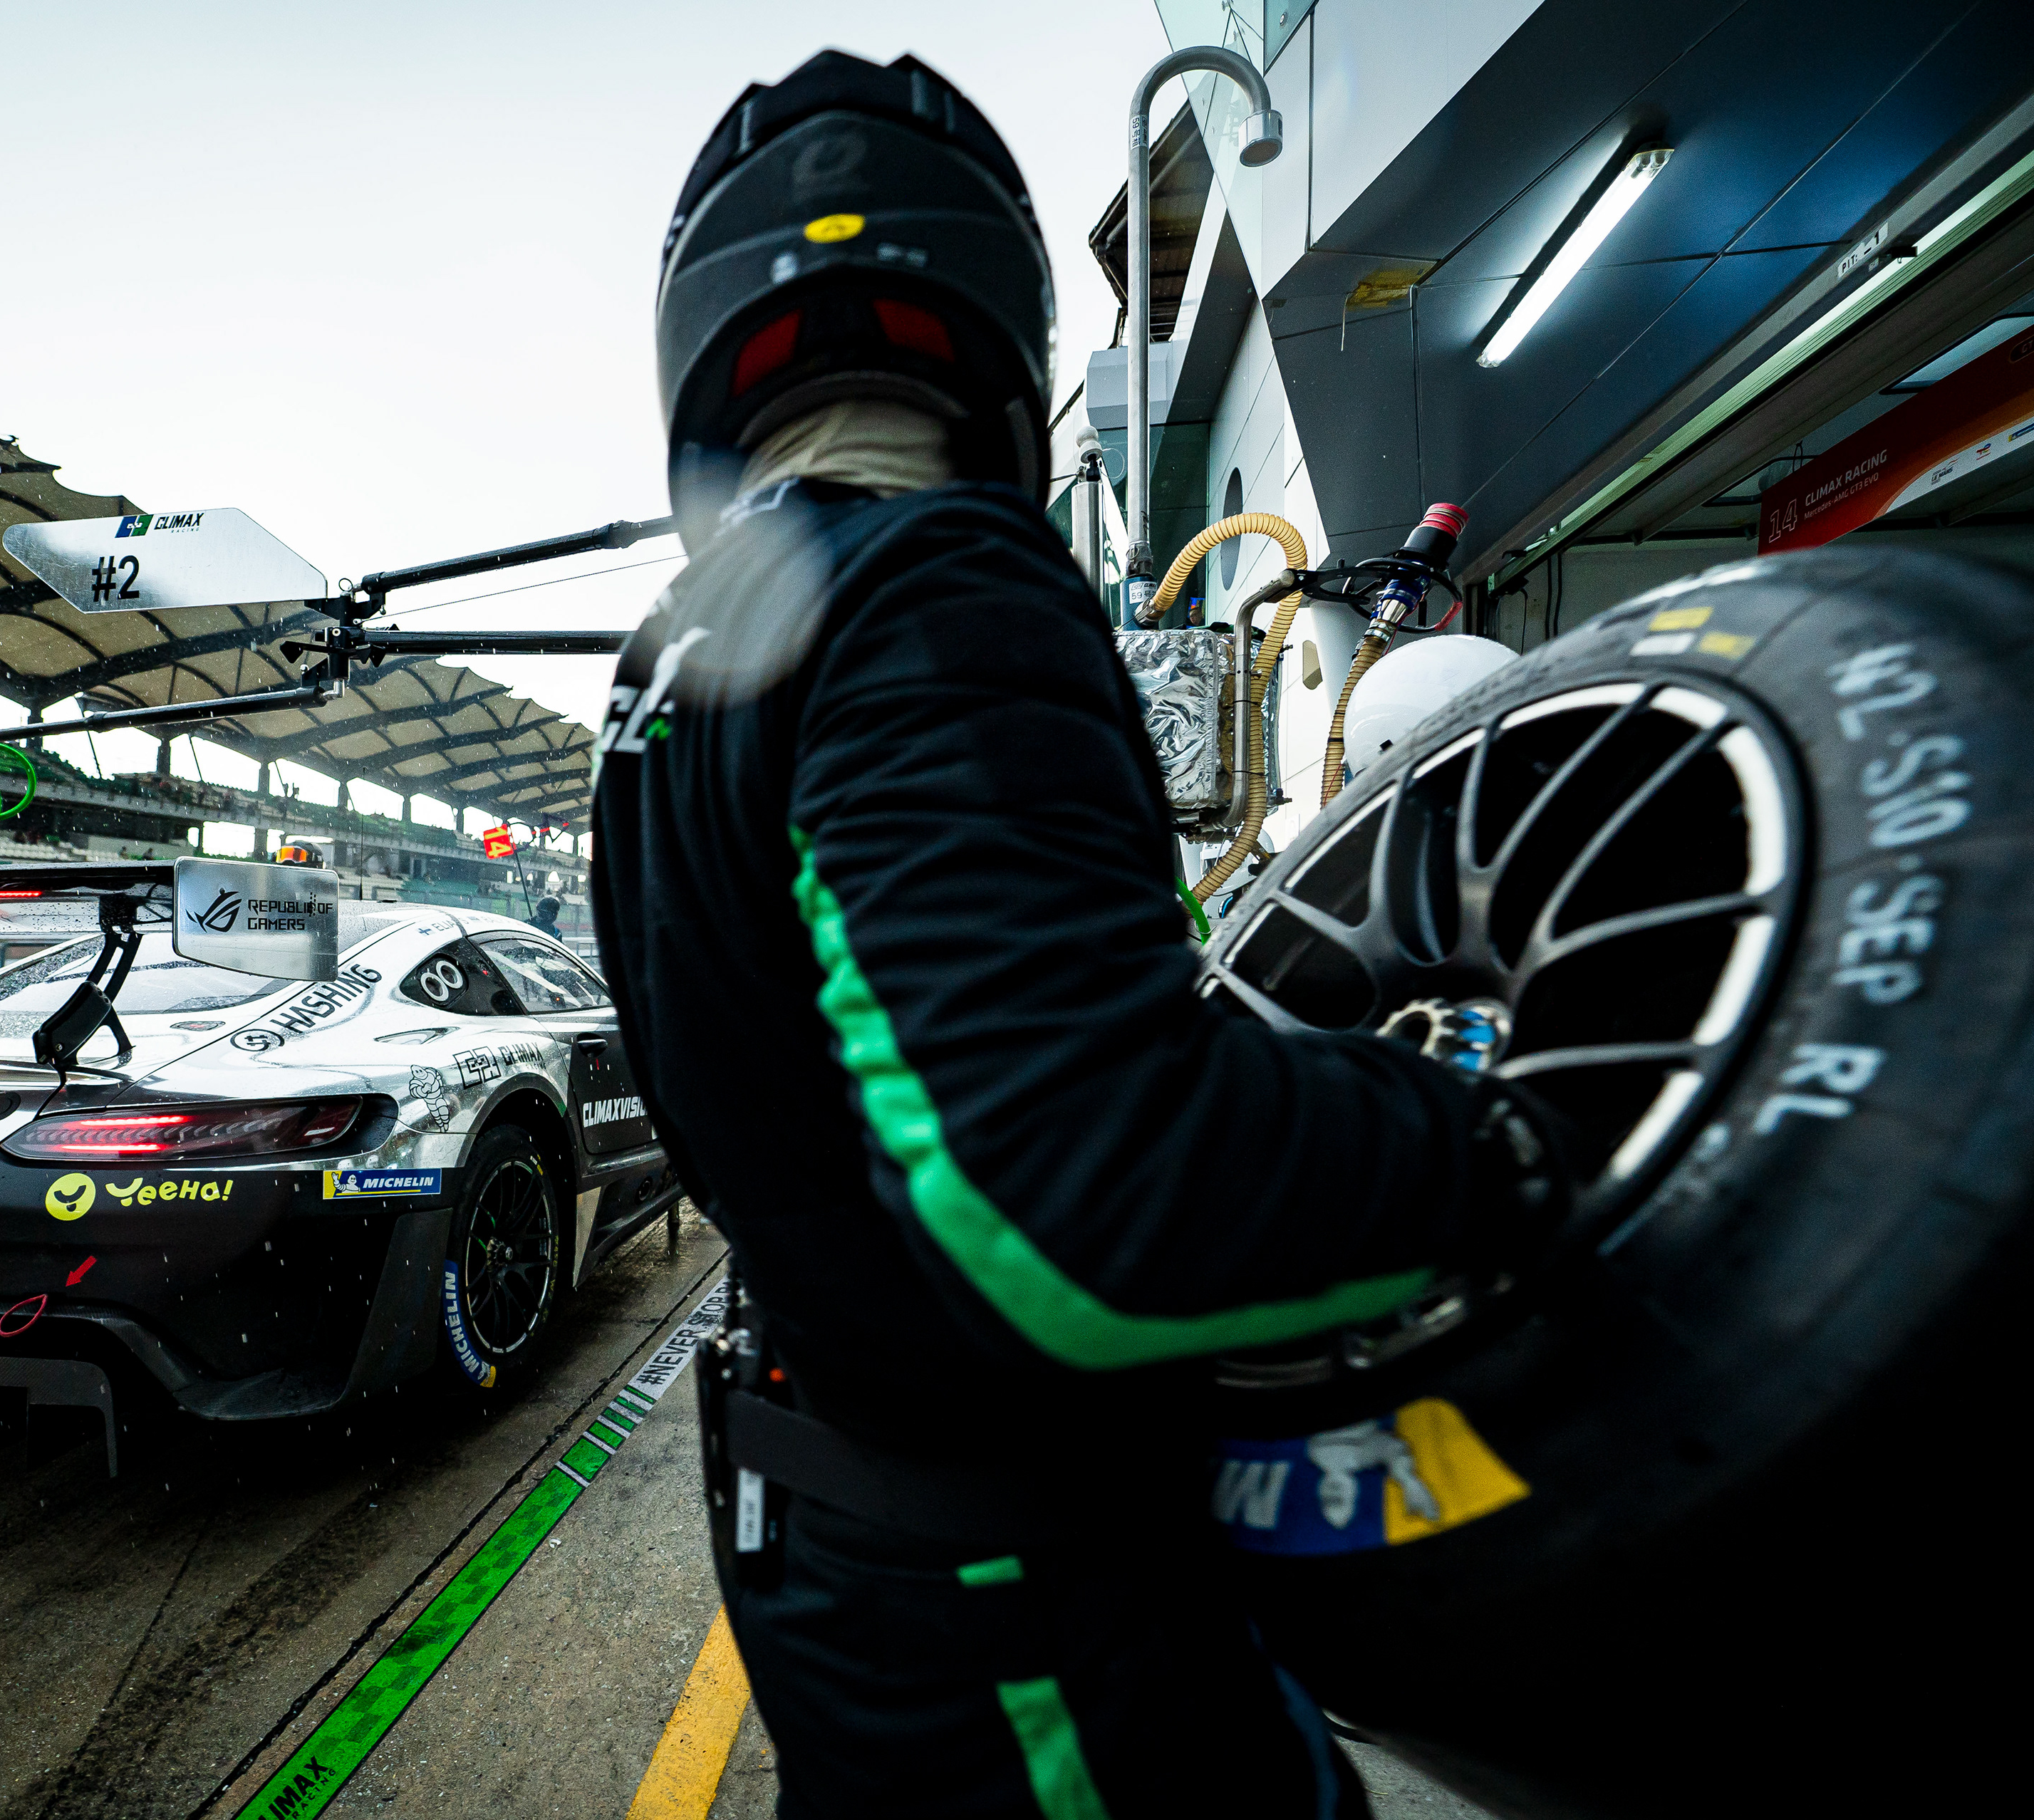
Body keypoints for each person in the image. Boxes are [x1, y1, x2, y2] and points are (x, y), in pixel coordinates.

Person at [588, 52, 1568, 1819]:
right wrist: (1489, 1148)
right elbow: (1083, 1195)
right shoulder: (937, 581)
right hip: (1029, 1612)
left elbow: (852, 1102)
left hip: (848, 1554)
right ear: (994, 325)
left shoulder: (664, 676)